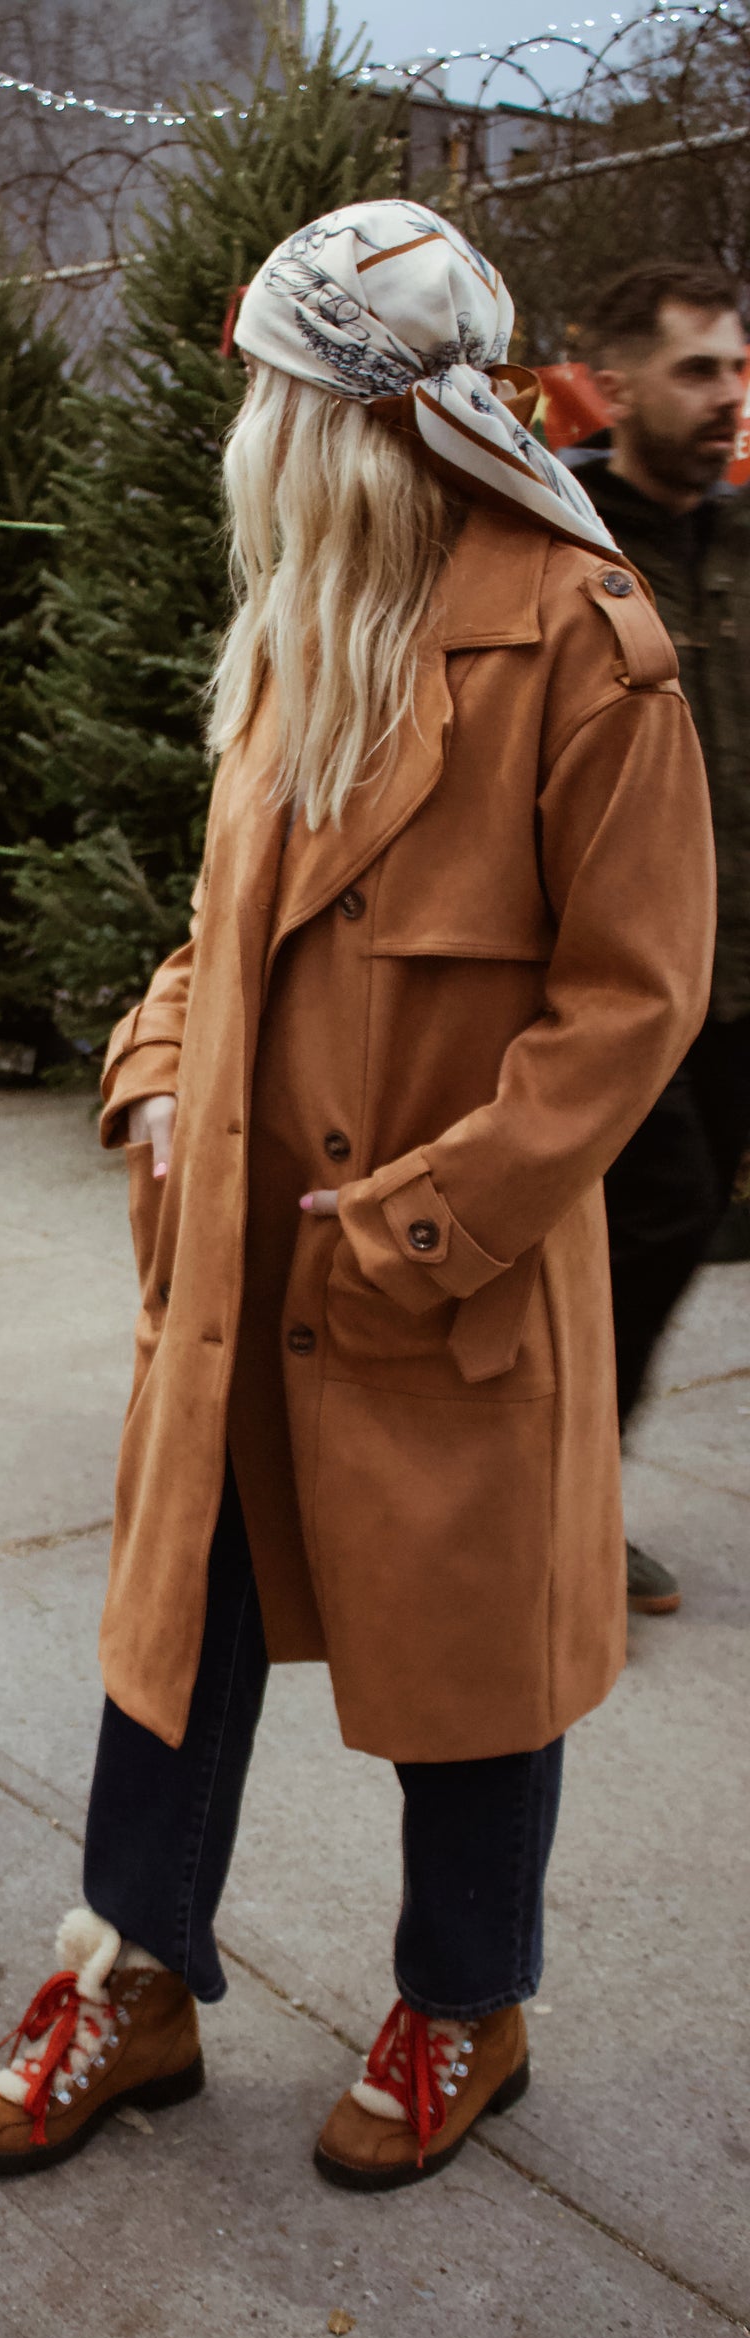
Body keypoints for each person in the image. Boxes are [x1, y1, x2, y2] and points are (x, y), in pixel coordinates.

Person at [0, 203, 715, 2194]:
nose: (249, 438)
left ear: (360, 419)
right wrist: (149, 1074)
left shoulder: (582, 638)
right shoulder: (304, 624)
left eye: (273, 399)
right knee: (173, 1627)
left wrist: (426, 1229)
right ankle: (132, 1974)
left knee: (468, 1660)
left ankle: (467, 2000)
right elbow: (218, 931)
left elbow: (632, 1003)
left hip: (436, 1277)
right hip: (233, 1258)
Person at [567, 263, 750, 1615]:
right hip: (623, 979)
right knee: (655, 1217)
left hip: (738, 972)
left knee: (670, 1235)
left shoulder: (741, 543)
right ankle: (563, 1515)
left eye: (736, 368)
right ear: (614, 387)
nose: (727, 395)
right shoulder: (568, 547)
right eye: (697, 370)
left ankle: (569, 1494)